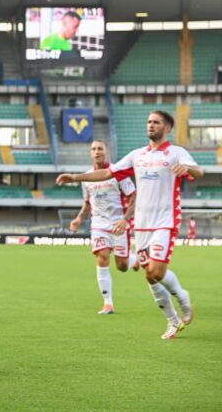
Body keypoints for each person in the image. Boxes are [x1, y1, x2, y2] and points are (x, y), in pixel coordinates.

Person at [57, 111, 203, 339]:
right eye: (149, 122)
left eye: (156, 122)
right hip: (142, 225)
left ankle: (183, 298)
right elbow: (107, 173)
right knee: (149, 276)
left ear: (167, 128)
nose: (151, 125)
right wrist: (75, 178)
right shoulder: (137, 156)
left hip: (165, 221)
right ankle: (172, 321)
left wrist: (188, 169)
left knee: (156, 270)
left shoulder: (176, 153)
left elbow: (199, 171)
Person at [67, 140, 139, 315]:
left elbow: (134, 197)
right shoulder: (87, 179)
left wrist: (125, 219)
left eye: (100, 148)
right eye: (93, 149)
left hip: (118, 224)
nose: (97, 151)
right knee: (102, 257)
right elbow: (87, 204)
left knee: (121, 266)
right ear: (90, 153)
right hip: (98, 225)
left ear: (106, 152)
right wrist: (78, 219)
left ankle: (133, 260)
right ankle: (108, 303)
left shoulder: (118, 173)